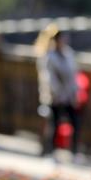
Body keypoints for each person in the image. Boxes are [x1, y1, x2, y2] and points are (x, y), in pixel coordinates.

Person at [35, 24, 80, 154]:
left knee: (75, 123)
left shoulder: (69, 54)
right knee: (53, 125)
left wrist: (74, 93)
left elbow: (73, 76)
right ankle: (50, 151)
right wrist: (56, 93)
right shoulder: (48, 57)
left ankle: (74, 151)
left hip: (69, 96)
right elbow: (48, 78)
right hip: (53, 97)